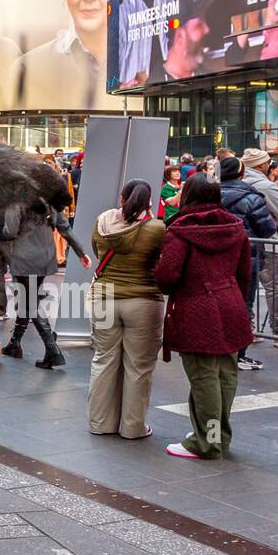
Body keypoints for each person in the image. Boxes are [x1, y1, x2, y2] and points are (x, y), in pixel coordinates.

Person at [155, 175, 254, 460]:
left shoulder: (181, 230)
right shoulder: (235, 227)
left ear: (187, 195)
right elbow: (244, 272)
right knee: (226, 373)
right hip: (231, 303)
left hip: (197, 308)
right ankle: (218, 435)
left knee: (203, 376)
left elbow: (167, 275)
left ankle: (207, 441)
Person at [88, 179, 167, 438]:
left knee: (103, 359)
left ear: (122, 198)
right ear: (149, 202)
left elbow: (98, 253)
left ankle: (100, 423)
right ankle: (133, 427)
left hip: (104, 296)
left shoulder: (102, 223)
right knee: (138, 366)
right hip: (143, 300)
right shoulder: (157, 228)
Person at [0, 199, 90, 368]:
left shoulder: (17, 199)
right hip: (45, 257)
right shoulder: (50, 198)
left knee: (31, 303)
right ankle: (15, 343)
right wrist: (80, 251)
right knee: (28, 299)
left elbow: (10, 230)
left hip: (24, 257)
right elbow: (64, 227)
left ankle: (52, 350)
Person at [217, 155, 277, 370]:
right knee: (244, 305)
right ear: (241, 173)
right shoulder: (251, 197)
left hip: (214, 258)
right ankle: (239, 353)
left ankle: (219, 348)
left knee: (216, 303)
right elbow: (267, 228)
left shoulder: (209, 195)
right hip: (245, 258)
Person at [240, 147, 278, 339]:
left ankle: (248, 328)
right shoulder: (265, 185)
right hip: (267, 241)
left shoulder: (238, 182)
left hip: (244, 242)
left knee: (247, 289)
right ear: (261, 165)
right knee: (274, 288)